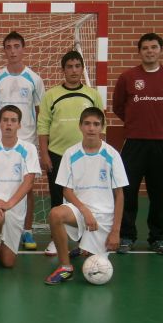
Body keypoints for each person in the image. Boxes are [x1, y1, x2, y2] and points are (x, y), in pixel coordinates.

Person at [112, 33, 163, 255]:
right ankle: (126, 236)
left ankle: (158, 239)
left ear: (161, 50)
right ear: (139, 52)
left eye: (154, 47)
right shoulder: (128, 77)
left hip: (162, 145)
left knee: (158, 194)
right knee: (128, 192)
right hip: (134, 144)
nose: (150, 51)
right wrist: (136, 124)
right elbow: (118, 107)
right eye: (145, 48)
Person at [44, 107, 128, 285]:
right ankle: (65, 268)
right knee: (55, 214)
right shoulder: (70, 153)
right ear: (80, 126)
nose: (91, 128)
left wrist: (116, 231)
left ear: (102, 128)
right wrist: (84, 210)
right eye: (87, 124)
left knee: (98, 266)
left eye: (96, 124)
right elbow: (66, 190)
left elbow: (119, 194)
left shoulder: (112, 155)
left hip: (103, 218)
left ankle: (86, 247)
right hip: (79, 210)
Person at [37, 50, 105, 256]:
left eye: (77, 66)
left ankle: (87, 240)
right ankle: (57, 241)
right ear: (63, 70)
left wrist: (101, 154)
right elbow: (43, 126)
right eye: (69, 67)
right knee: (58, 198)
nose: (74, 70)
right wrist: (44, 154)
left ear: (82, 69)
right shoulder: (51, 95)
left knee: (84, 197)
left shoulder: (92, 94)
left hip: (86, 157)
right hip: (57, 154)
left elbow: (102, 124)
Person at [0, 31, 45, 251]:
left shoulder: (34, 79)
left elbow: (39, 112)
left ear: (23, 49)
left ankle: (27, 230)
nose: (12, 51)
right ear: (4, 51)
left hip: (26, 140)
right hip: (1, 142)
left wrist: (34, 141)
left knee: (26, 188)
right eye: (8, 47)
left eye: (16, 46)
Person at [0, 105, 42, 273]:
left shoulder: (28, 149)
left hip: (15, 205)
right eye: (5, 120)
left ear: (19, 125)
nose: (9, 124)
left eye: (13, 121)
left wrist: (9, 203)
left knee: (8, 262)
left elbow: (29, 182)